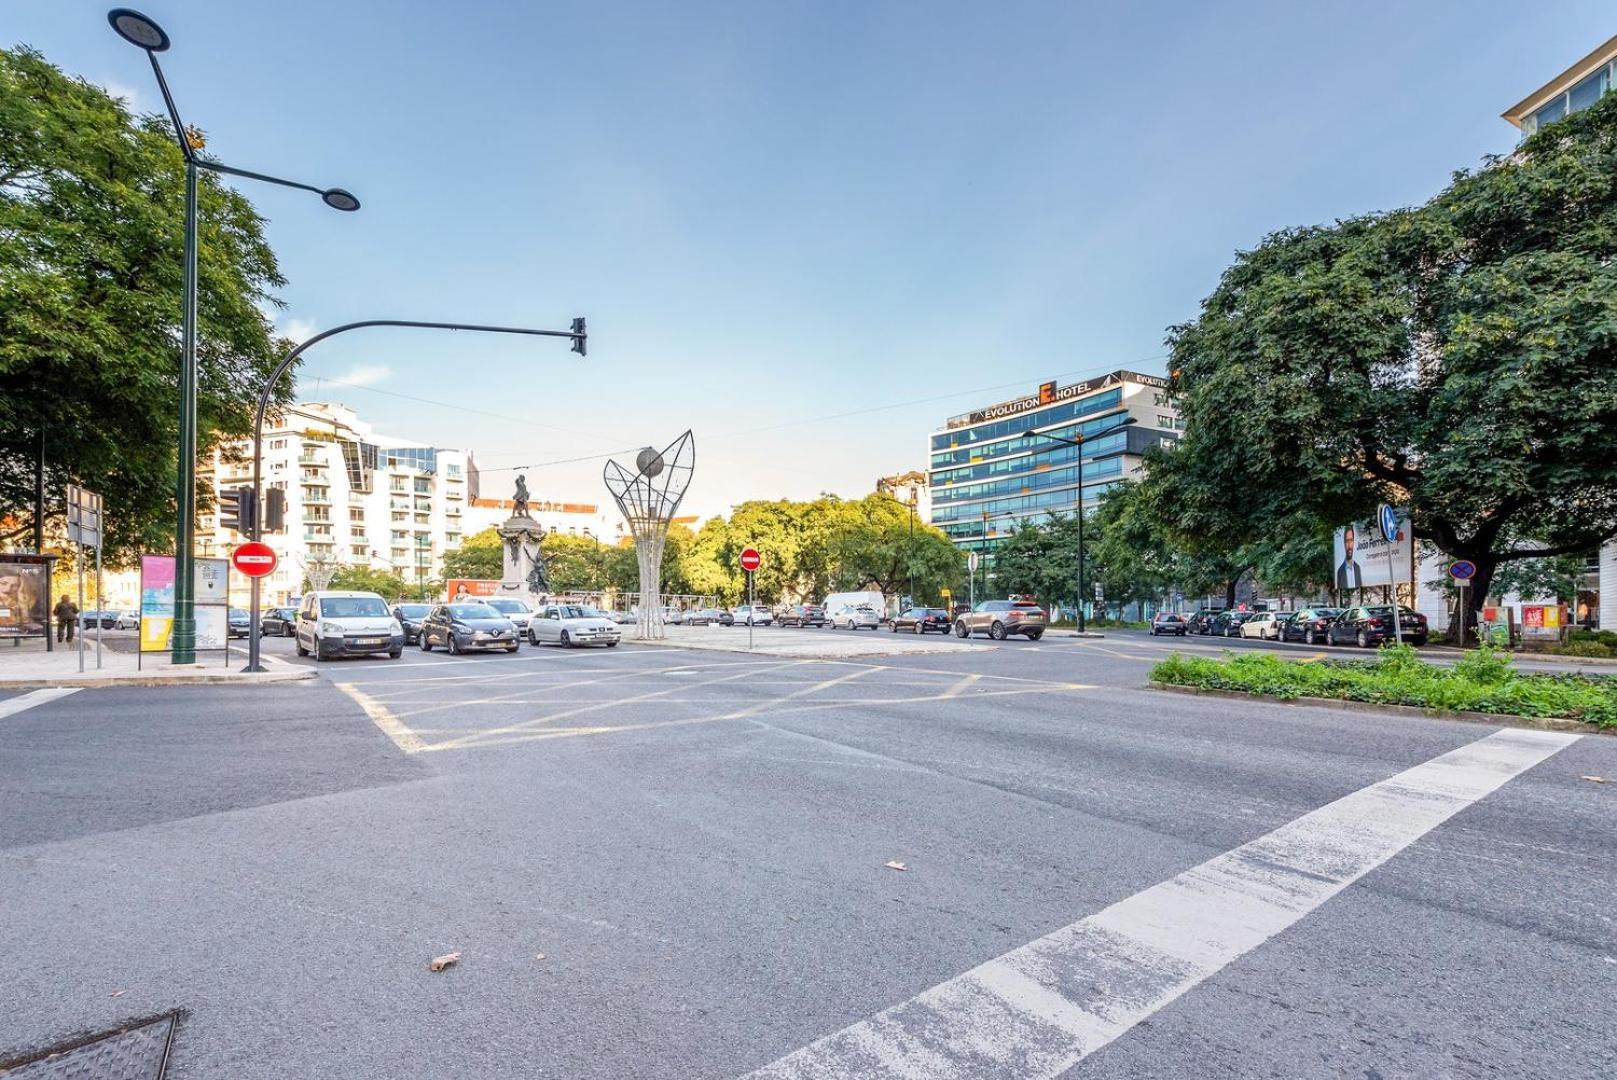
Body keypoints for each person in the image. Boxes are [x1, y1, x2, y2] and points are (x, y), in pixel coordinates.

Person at [1336, 525, 1364, 590]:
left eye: (1351, 540)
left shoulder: (1358, 568)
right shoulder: (1340, 571)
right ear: (1344, 543)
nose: (1349, 546)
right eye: (1347, 541)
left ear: (1354, 542)